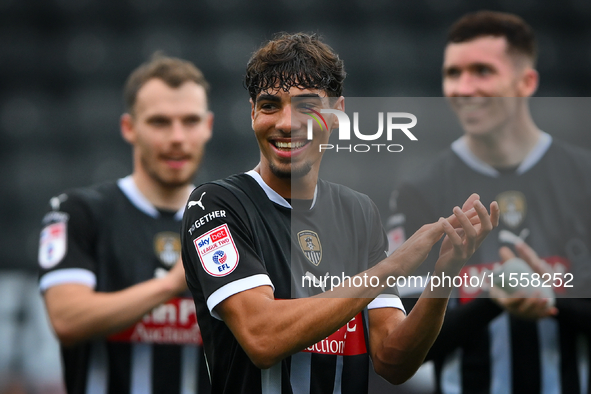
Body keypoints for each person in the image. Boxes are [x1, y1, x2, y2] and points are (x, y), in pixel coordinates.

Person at [180, 32, 499, 394]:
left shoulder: (358, 212)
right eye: (270, 105)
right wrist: (391, 267)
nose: (287, 123)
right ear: (253, 113)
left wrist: (444, 274)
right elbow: (262, 337)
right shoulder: (216, 204)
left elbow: (393, 361)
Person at [387, 11, 591, 394]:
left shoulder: (585, 178)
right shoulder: (420, 189)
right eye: (453, 74)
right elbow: (401, 348)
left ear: (526, 82)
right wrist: (492, 298)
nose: (463, 88)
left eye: (482, 71)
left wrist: (550, 297)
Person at [38, 54, 213, 394]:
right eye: (160, 122)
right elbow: (66, 319)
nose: (178, 137)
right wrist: (171, 284)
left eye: (190, 121)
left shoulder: (229, 221)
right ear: (129, 128)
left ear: (208, 126)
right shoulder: (78, 212)